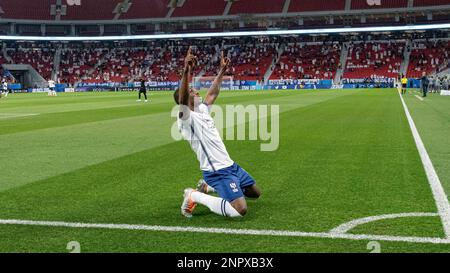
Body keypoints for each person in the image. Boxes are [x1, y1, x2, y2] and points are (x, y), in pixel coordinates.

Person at [175, 47, 261, 218]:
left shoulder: (202, 110)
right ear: (184, 99)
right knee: (239, 209)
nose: (196, 91)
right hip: (216, 170)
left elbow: (212, 94)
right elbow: (184, 100)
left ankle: (208, 187)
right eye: (192, 91)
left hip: (230, 165)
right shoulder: (186, 118)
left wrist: (222, 71)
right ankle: (194, 195)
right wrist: (186, 70)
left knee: (255, 193)